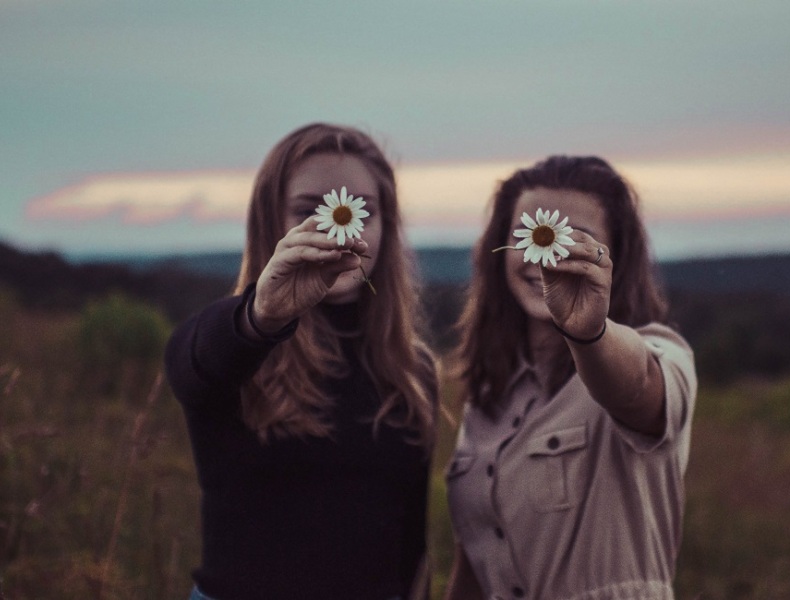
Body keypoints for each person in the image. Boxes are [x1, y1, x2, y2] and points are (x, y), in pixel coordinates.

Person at [164, 123, 437, 600]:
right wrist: (261, 316)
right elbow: (191, 363)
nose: (335, 224)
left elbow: (412, 542)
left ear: (385, 227)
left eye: (361, 210)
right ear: (270, 219)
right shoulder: (237, 343)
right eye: (309, 209)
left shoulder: (412, 370)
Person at [444, 156, 698, 599]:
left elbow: (638, 389)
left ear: (617, 256)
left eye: (576, 239)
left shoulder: (660, 353)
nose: (547, 254)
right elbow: (477, 561)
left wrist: (589, 333)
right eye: (531, 234)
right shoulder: (489, 397)